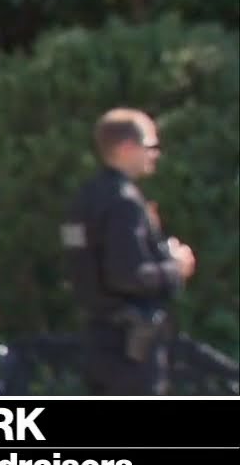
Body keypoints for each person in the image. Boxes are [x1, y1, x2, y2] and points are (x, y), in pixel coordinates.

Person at [61, 108, 195, 395]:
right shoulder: (124, 202)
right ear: (126, 148)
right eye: (150, 147)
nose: (155, 154)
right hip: (130, 350)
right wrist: (176, 267)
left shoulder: (86, 198)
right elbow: (128, 275)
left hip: (98, 341)